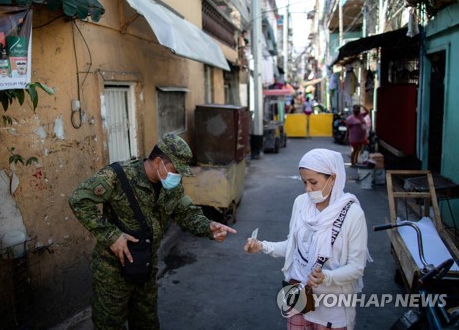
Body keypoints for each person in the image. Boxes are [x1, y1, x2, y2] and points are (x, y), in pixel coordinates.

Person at [69, 133, 237, 330]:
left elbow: (185, 212)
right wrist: (111, 235)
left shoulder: (170, 187)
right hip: (112, 272)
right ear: (159, 162)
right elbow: (79, 200)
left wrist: (209, 227)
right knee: (109, 325)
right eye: (176, 170)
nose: (178, 176)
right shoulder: (117, 176)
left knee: (146, 323)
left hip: (146, 268)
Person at [244, 148, 369, 330]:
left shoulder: (352, 214)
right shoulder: (301, 203)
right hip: (299, 300)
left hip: (332, 309)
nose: (308, 189)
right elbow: (293, 246)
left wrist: (326, 277)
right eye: (304, 182)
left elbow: (356, 267)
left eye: (313, 182)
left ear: (332, 178)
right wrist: (262, 246)